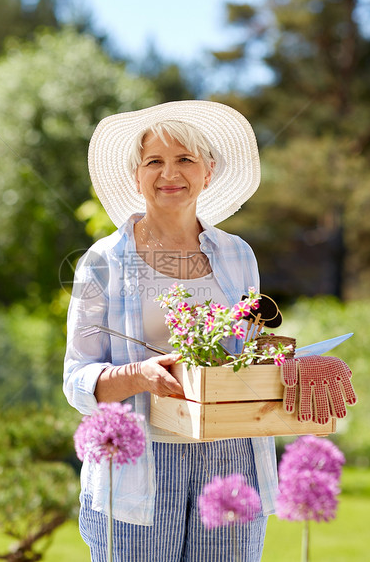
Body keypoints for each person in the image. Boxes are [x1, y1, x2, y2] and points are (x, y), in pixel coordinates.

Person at [64, 100, 273, 561]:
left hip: (229, 455)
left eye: (185, 159)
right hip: (139, 463)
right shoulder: (104, 261)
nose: (169, 173)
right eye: (154, 161)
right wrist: (140, 374)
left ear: (209, 171)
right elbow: (76, 381)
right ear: (136, 175)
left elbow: (250, 353)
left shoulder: (238, 255)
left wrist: (294, 369)